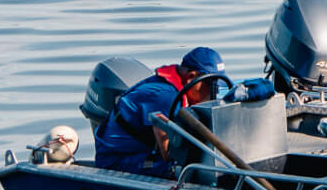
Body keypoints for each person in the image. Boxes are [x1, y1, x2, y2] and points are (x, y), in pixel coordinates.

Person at [93, 47, 229, 175]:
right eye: (211, 86)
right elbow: (169, 154)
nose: (213, 94)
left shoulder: (179, 90)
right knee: (180, 170)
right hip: (116, 161)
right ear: (191, 77)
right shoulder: (165, 96)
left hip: (142, 152)